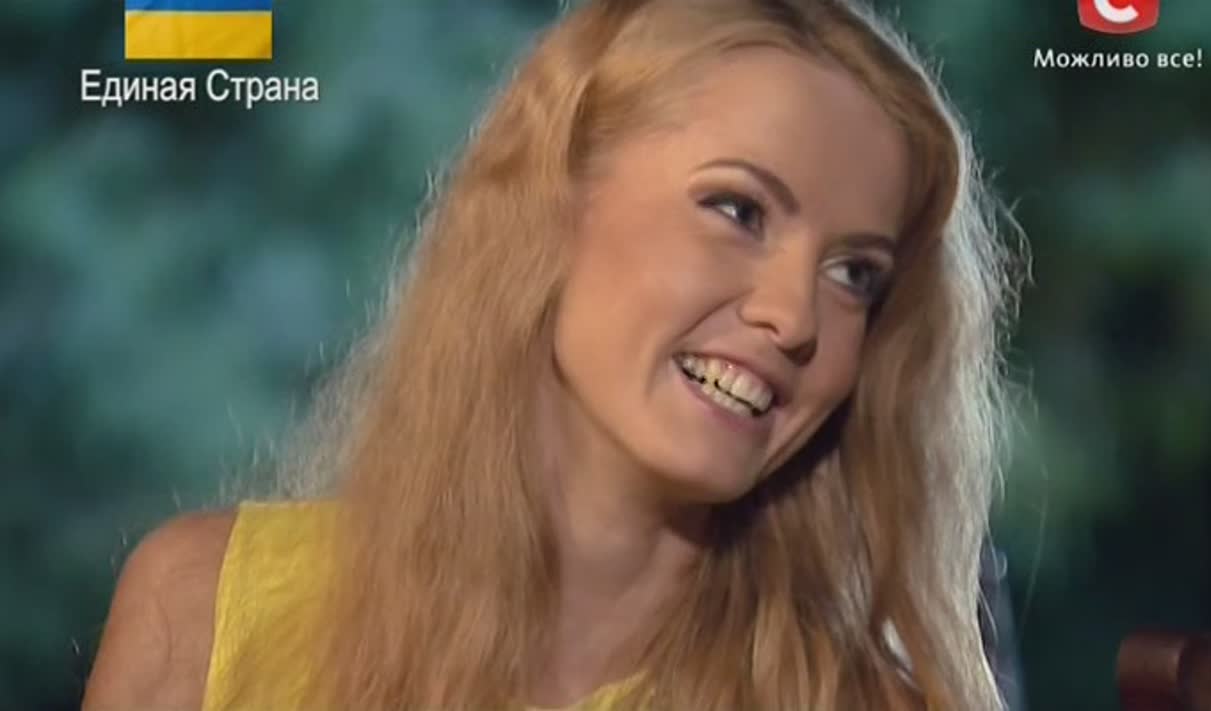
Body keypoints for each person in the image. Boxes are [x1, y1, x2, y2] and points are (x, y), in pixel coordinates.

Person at [82, 0, 1024, 709]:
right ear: (557, 204)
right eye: (738, 210)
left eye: (855, 274)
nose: (793, 317)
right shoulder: (206, 610)